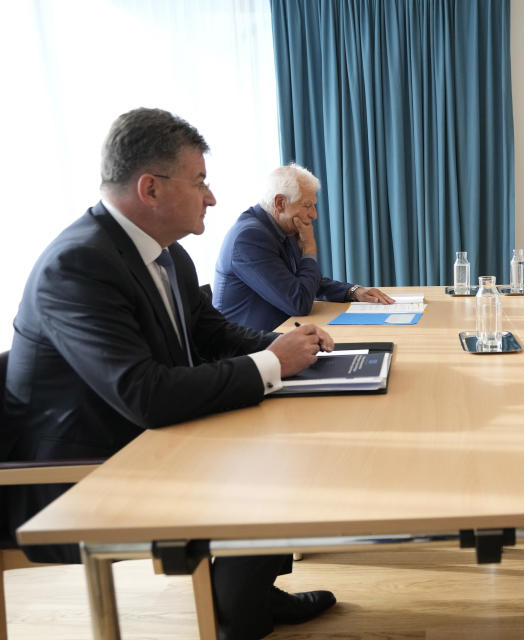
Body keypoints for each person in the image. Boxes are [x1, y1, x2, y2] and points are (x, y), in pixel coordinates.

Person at [1, 108, 337, 640]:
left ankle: (251, 597)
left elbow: (213, 331)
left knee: (280, 434)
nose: (212, 197)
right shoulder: (77, 266)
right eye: (200, 181)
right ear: (150, 189)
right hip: (76, 478)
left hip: (145, 442)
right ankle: (237, 618)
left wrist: (283, 345)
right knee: (267, 457)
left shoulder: (167, 255)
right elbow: (146, 395)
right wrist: (274, 364)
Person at [214, 164, 393, 331]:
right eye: (307, 206)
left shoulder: (281, 227)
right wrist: (309, 248)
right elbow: (298, 301)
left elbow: (305, 282)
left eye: (313, 206)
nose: (314, 215)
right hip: (247, 352)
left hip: (279, 335)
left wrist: (352, 291)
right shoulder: (249, 238)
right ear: (280, 203)